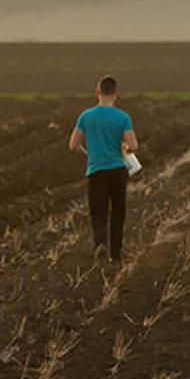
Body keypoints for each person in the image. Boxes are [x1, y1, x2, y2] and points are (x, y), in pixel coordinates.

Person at [68, 75, 138, 263]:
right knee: (117, 213)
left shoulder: (85, 116)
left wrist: (89, 154)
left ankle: (100, 244)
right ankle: (115, 256)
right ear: (116, 94)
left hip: (96, 170)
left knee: (98, 213)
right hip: (118, 170)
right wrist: (125, 148)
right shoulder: (123, 117)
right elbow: (133, 145)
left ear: (97, 92)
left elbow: (73, 145)